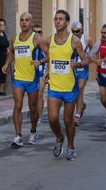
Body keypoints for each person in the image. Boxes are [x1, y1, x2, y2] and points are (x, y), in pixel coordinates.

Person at [45, 9, 89, 161]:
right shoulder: (49, 40)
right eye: (56, 18)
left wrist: (77, 64)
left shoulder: (74, 41)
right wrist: (46, 72)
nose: (57, 21)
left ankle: (71, 147)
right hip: (54, 86)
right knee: (52, 118)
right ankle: (59, 137)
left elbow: (86, 60)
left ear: (67, 22)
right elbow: (49, 58)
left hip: (70, 86)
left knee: (68, 120)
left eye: (61, 19)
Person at [2, 12, 49, 147]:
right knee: (17, 105)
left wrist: (40, 61)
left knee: (33, 107)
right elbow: (12, 51)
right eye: (22, 20)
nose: (24, 22)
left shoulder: (37, 39)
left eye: (27, 20)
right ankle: (18, 136)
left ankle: (33, 131)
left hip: (32, 78)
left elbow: (50, 54)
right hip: (19, 78)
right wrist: (6, 63)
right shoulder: (14, 39)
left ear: (31, 22)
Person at [89, 23, 106, 129]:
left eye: (105, 33)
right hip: (102, 75)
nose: (103, 35)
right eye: (102, 33)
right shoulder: (99, 44)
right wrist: (96, 61)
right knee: (103, 99)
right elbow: (90, 55)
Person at [71, 21, 93, 126]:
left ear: (81, 30)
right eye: (73, 31)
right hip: (72, 69)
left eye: (77, 31)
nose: (75, 33)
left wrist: (90, 58)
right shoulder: (69, 39)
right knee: (74, 93)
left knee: (79, 90)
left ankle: (77, 116)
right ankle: (81, 106)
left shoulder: (87, 39)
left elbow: (94, 50)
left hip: (82, 68)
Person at [32, 24, 47, 126]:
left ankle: (40, 116)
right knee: (33, 96)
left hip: (42, 72)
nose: (37, 34)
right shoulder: (29, 44)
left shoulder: (45, 45)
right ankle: (35, 114)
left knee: (39, 93)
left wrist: (47, 73)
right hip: (31, 73)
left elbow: (51, 57)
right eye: (34, 32)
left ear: (42, 33)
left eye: (39, 32)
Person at [0, 18, 10, 95]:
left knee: (3, 72)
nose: (1, 26)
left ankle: (0, 90)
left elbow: (7, 46)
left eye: (3, 25)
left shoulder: (4, 34)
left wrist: (9, 54)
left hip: (4, 56)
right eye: (0, 25)